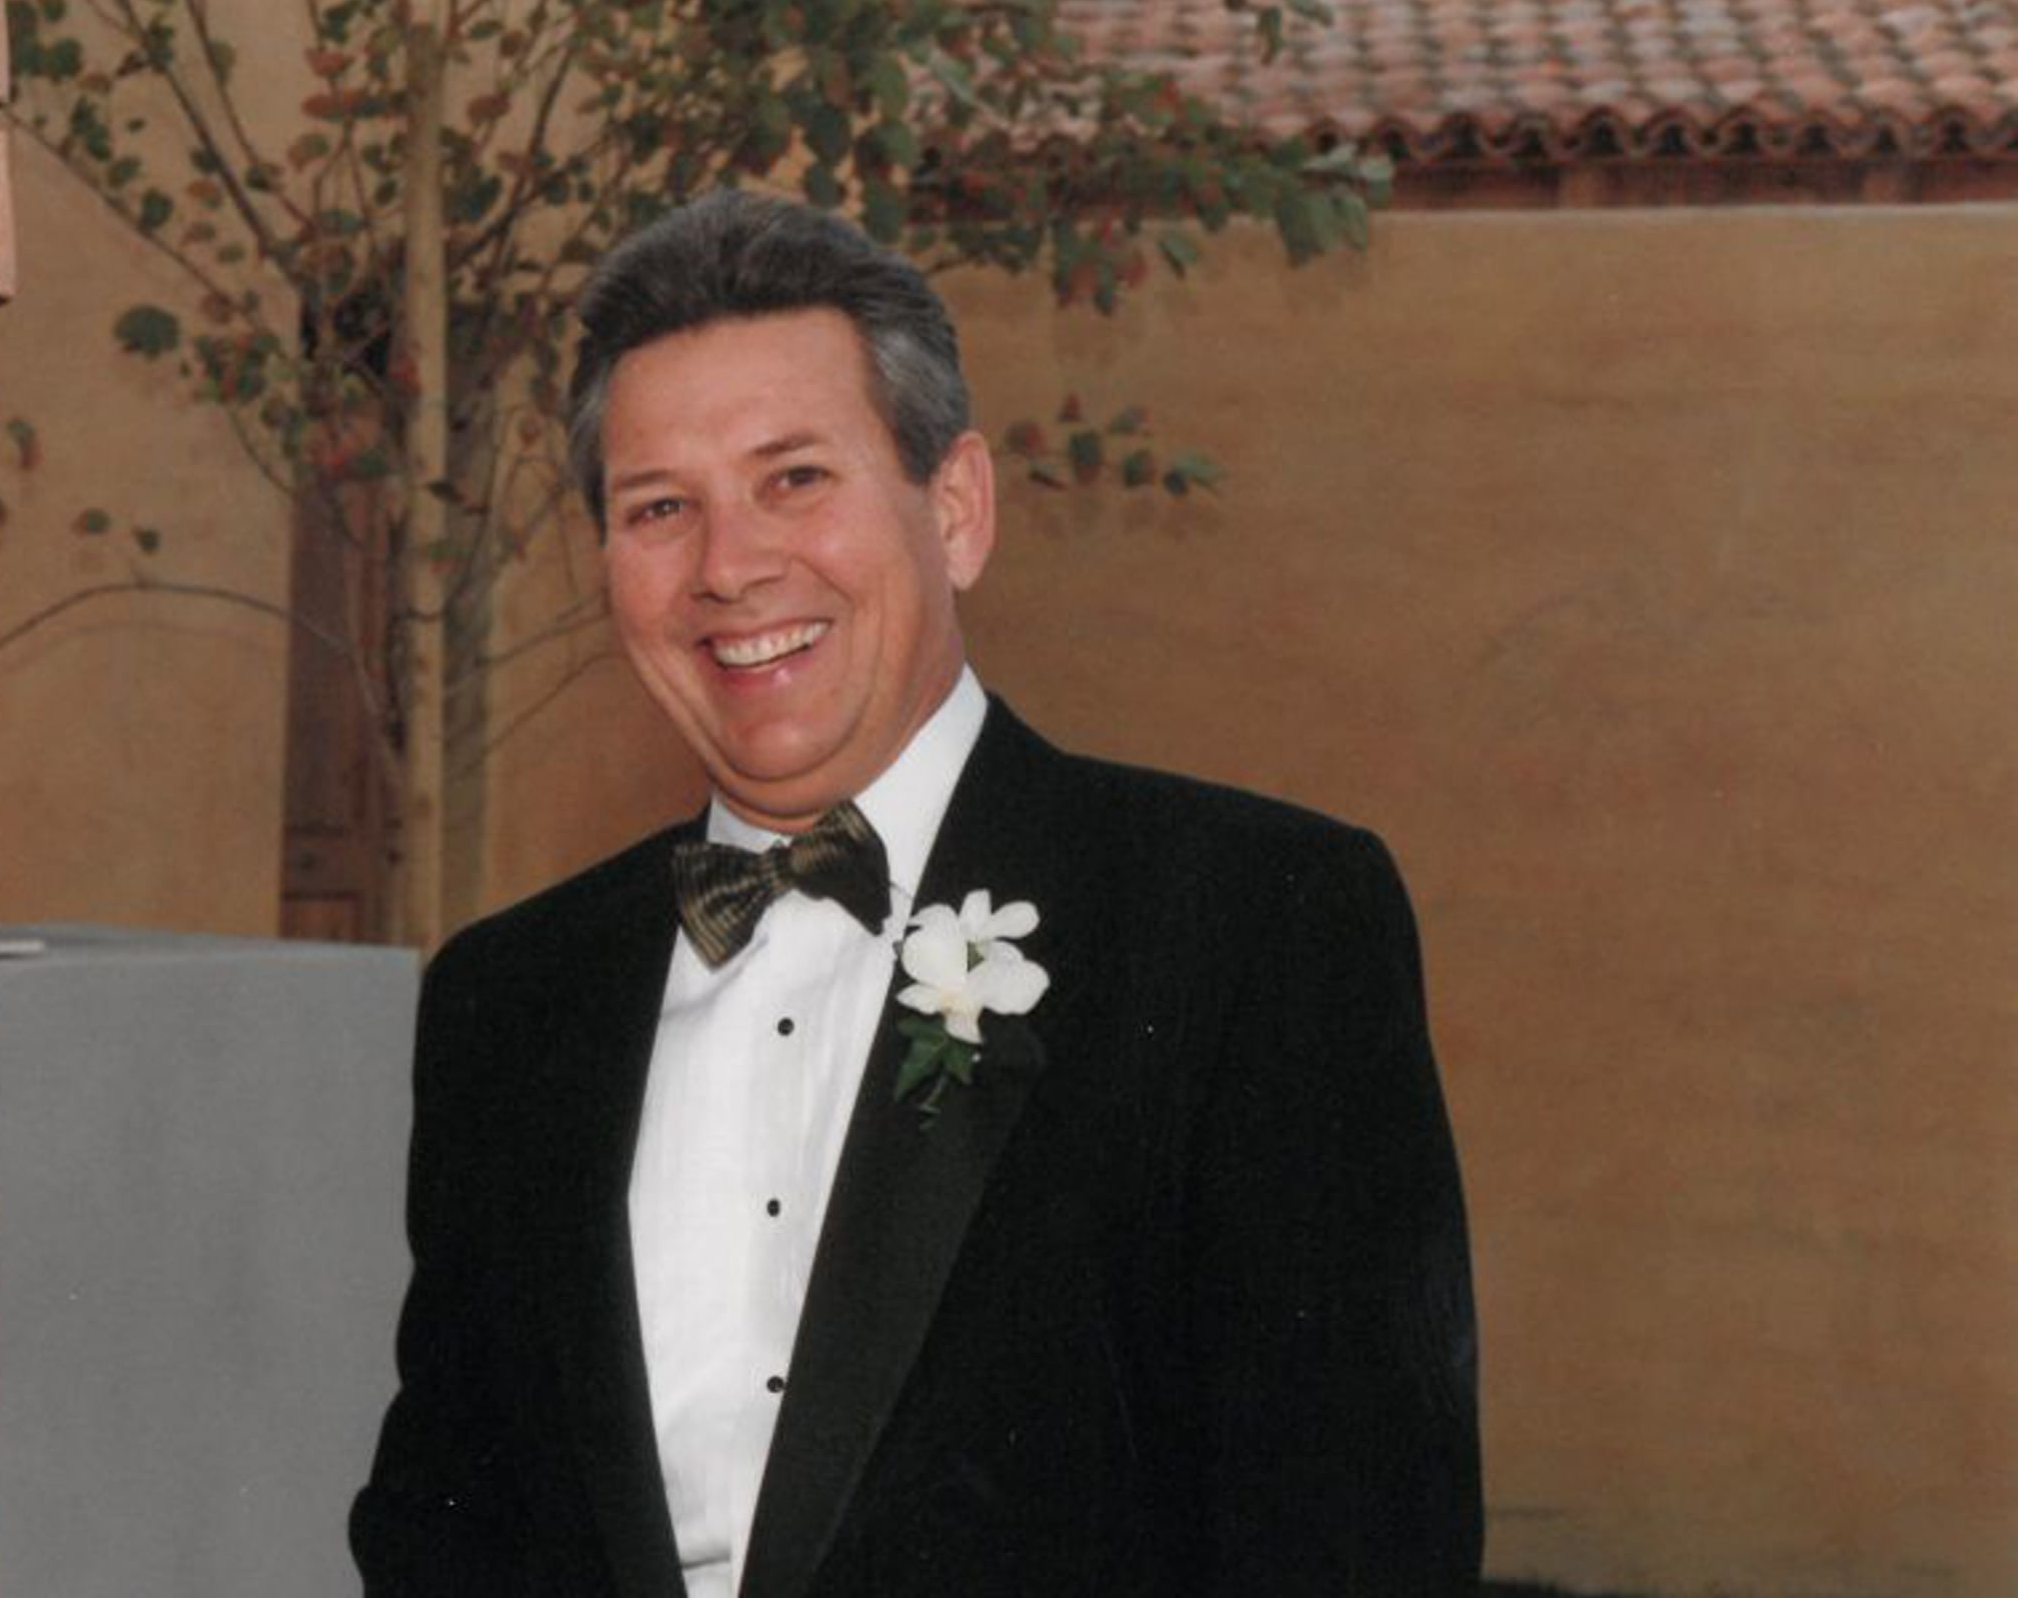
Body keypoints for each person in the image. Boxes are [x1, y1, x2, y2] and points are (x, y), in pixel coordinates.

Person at [350, 191, 1481, 1597]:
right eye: (660, 508)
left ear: (955, 511)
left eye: (794, 478)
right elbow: (440, 1532)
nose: (728, 566)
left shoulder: (1255, 923)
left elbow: (1357, 1537)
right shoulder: (506, 1000)